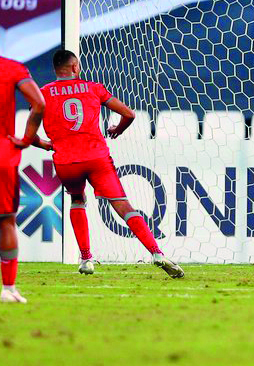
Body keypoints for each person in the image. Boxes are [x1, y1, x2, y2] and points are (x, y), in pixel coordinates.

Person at [34, 50, 184, 280]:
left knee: (77, 199)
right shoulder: (94, 88)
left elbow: (27, 134)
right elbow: (129, 114)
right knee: (124, 206)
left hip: (66, 161)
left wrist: (45, 145)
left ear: (56, 69)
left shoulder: (43, 94)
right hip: (97, 158)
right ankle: (156, 252)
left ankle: (86, 258)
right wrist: (117, 129)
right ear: (75, 67)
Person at [0, 16, 46, 304]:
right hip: (2, 153)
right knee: (6, 221)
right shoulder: (12, 68)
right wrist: (26, 139)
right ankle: (8, 289)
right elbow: (39, 103)